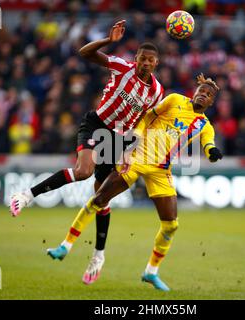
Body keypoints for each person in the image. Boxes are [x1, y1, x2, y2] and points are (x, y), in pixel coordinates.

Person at [9, 20, 164, 281]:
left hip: (118, 139)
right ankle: (27, 195)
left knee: (101, 197)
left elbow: (144, 123)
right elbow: (84, 53)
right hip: (96, 124)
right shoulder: (122, 67)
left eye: (150, 60)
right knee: (82, 171)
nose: (145, 63)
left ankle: (98, 256)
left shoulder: (157, 92)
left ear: (156, 63)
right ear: (135, 58)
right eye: (142, 58)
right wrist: (107, 40)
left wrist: (129, 149)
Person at [46, 74, 223, 290]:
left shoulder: (205, 126)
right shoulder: (175, 100)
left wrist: (212, 152)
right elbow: (148, 116)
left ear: (212, 102)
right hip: (137, 158)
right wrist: (136, 138)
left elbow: (208, 144)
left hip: (160, 171)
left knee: (171, 225)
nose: (203, 95)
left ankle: (151, 272)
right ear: (194, 92)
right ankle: (66, 245)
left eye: (208, 95)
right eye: (201, 91)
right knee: (100, 199)